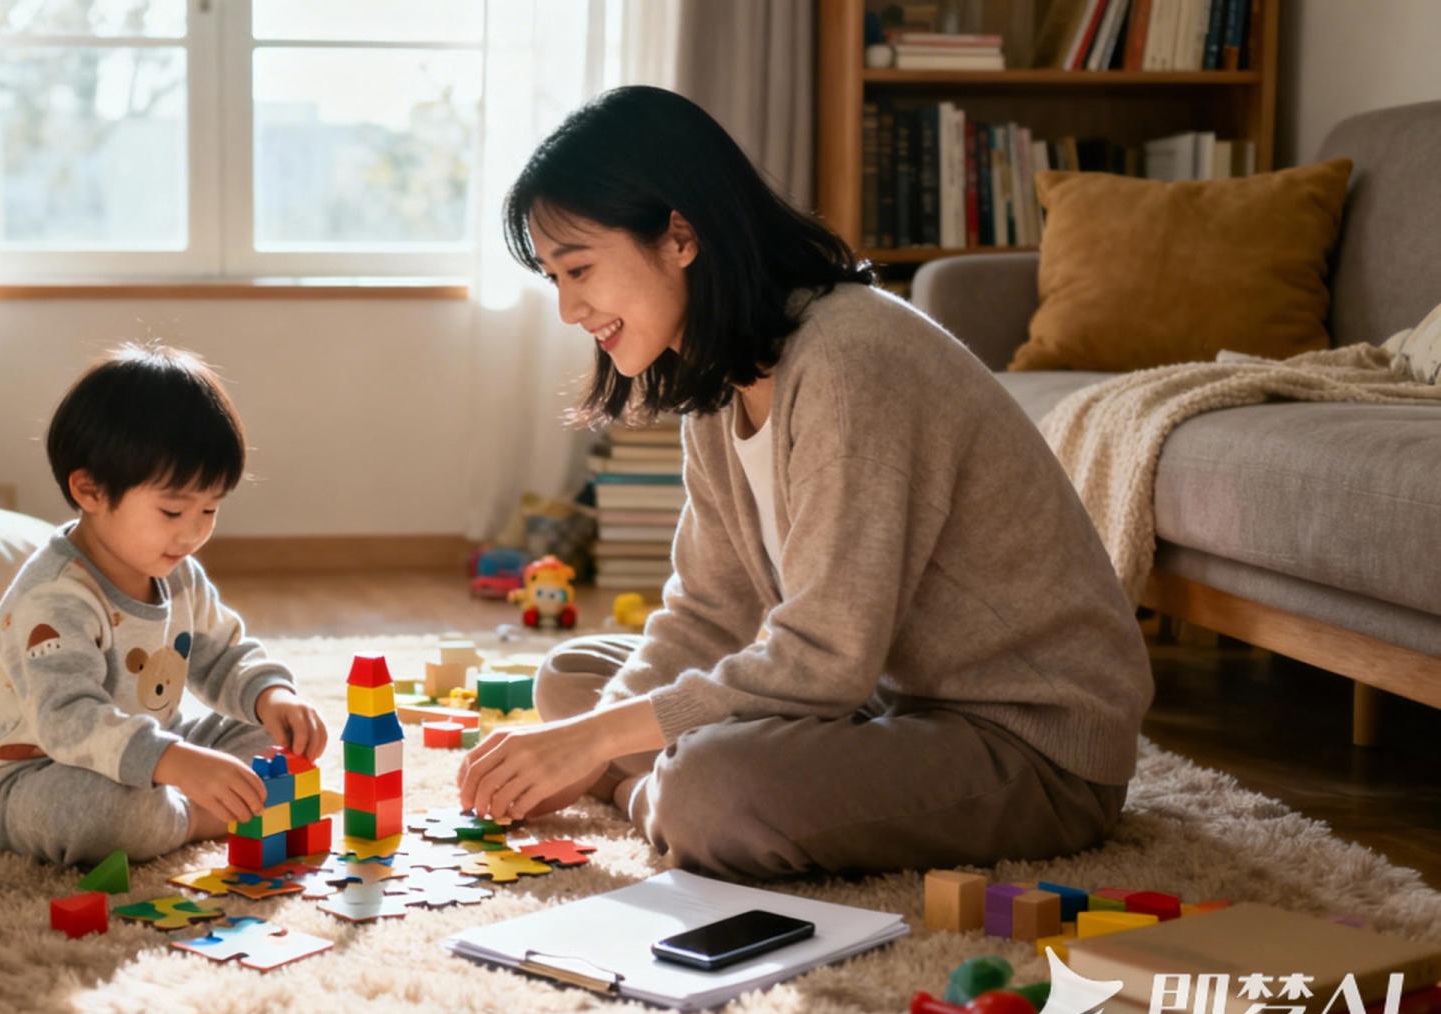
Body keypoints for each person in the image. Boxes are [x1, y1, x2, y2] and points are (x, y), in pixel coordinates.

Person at [458, 86, 1153, 879]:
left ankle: (662, 803)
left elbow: (825, 659)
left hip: (1028, 744)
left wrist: (599, 747)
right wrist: (598, 729)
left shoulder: (851, 360)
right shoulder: (719, 384)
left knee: (705, 791)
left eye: (577, 268)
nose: (568, 309)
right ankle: (665, 787)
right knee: (573, 681)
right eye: (554, 278)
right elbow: (708, 613)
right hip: (884, 703)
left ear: (679, 235)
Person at [0, 345, 327, 867]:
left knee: (273, 747)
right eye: (173, 510)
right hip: (35, 775)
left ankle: (178, 806)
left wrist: (273, 697)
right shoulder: (56, 598)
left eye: (211, 508)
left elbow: (224, 654)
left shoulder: (177, 570)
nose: (194, 532)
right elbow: (69, 720)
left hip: (149, 748)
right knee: (108, 815)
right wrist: (177, 764)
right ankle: (192, 819)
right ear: (90, 490)